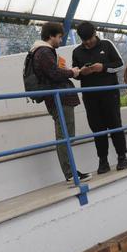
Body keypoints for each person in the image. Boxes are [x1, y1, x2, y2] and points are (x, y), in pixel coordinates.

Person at [29, 22, 92, 183]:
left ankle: (71, 171)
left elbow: (53, 71)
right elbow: (54, 73)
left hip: (61, 98)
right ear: (50, 36)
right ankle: (70, 173)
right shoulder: (43, 52)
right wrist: (72, 72)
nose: (60, 40)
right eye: (59, 37)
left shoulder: (44, 51)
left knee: (67, 136)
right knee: (65, 136)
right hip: (59, 99)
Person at [72, 22, 127, 174]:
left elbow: (120, 64)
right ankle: (103, 161)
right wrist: (81, 72)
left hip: (110, 93)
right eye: (84, 40)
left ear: (95, 33)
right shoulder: (77, 52)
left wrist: (103, 67)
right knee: (97, 128)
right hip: (90, 96)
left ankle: (122, 157)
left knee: (115, 124)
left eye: (90, 39)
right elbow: (75, 73)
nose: (88, 43)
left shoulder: (107, 45)